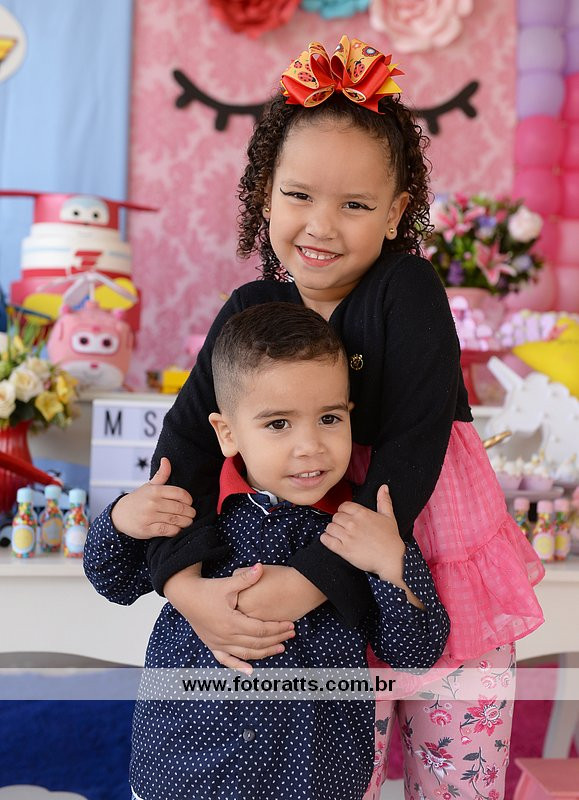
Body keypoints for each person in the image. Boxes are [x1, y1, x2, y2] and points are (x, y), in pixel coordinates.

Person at [110, 36, 545, 799]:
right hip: (325, 598)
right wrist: (183, 586)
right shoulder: (249, 311)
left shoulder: (407, 290)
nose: (321, 226)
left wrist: (307, 584)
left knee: (459, 780)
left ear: (395, 211)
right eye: (299, 196)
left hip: (420, 561)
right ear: (264, 194)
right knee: (340, 775)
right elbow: (184, 453)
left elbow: (409, 461)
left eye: (354, 205)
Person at [84, 302, 451, 800]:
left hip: (313, 779)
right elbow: (113, 581)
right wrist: (121, 518)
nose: (310, 446)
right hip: (183, 769)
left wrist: (393, 564)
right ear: (227, 433)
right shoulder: (197, 511)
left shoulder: (360, 530)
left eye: (329, 418)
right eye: (279, 424)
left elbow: (415, 652)